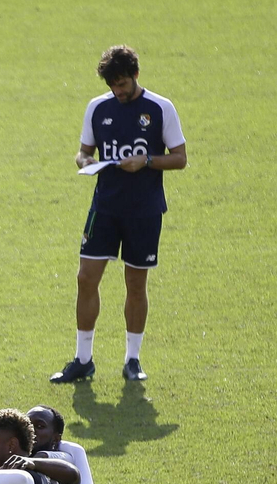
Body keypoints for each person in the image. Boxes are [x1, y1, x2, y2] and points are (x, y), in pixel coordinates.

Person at [53, 44, 187, 384]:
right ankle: (83, 359)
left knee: (135, 283)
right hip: (105, 207)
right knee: (85, 278)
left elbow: (180, 157)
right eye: (113, 85)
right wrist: (85, 162)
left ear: (136, 75)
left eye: (123, 84)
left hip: (144, 210)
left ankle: (132, 360)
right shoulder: (98, 108)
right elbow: (83, 152)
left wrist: (147, 161)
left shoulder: (160, 108)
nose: (118, 91)